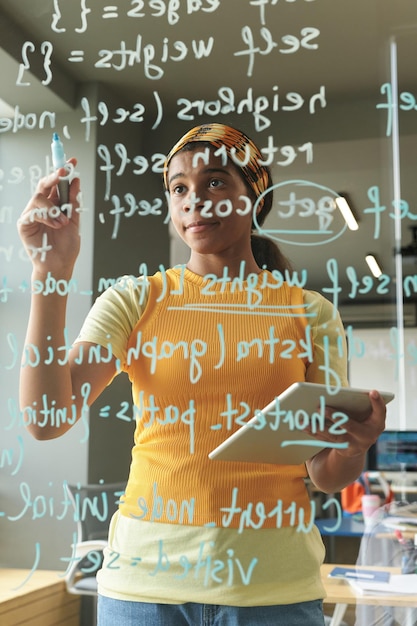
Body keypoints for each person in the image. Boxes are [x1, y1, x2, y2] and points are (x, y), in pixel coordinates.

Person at [18, 123, 386, 626]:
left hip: (270, 591)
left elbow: (322, 475)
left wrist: (352, 447)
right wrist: (49, 274)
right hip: (143, 589)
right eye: (179, 188)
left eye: (215, 181)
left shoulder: (310, 312)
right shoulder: (135, 300)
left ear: (254, 197)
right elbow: (46, 418)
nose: (194, 199)